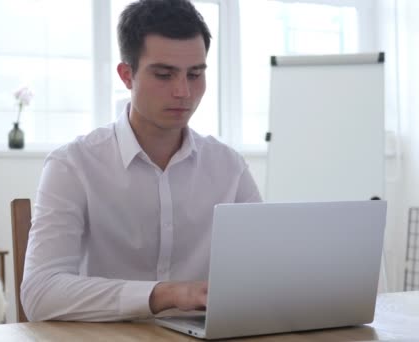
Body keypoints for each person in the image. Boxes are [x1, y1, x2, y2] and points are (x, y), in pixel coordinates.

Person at [21, 0, 262, 322]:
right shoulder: (73, 165)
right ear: (126, 75)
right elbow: (40, 294)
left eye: (195, 74)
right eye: (164, 75)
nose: (183, 92)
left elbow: (264, 273)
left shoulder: (229, 166)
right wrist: (165, 294)